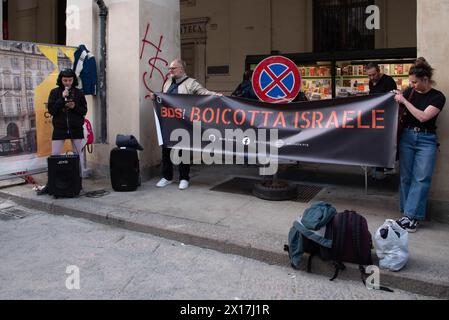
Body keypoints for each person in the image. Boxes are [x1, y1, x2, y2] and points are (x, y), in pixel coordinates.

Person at [149, 59, 221, 190]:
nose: (170, 71)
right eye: (170, 68)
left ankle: (184, 178)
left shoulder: (191, 83)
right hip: (168, 122)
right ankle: (167, 177)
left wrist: (218, 96)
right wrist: (155, 96)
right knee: (166, 150)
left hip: (183, 122)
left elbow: (204, 93)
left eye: (173, 68)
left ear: (181, 69)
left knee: (183, 151)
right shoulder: (168, 83)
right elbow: (164, 98)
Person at [394, 57, 446, 233]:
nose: (412, 85)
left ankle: (410, 216)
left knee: (422, 178)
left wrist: (404, 101)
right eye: (410, 82)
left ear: (425, 79)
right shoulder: (409, 91)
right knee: (406, 177)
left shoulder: (438, 97)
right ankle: (408, 216)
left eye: (415, 82)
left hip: (427, 139)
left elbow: (424, 117)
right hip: (407, 136)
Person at [37, 69, 88, 195]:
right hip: (60, 128)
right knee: (54, 155)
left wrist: (74, 106)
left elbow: (84, 111)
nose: (67, 83)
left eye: (70, 80)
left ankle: (78, 182)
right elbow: (52, 111)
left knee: (78, 156)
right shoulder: (54, 92)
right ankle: (51, 184)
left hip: (76, 128)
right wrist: (62, 99)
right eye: (65, 80)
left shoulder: (79, 93)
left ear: (73, 80)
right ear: (61, 80)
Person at [366, 62, 398, 180]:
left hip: (386, 118)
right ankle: (377, 168)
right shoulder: (371, 82)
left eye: (373, 75)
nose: (371, 78)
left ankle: (385, 169)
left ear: (379, 71)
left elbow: (392, 100)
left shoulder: (388, 81)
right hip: (375, 117)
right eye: (369, 75)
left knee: (385, 144)